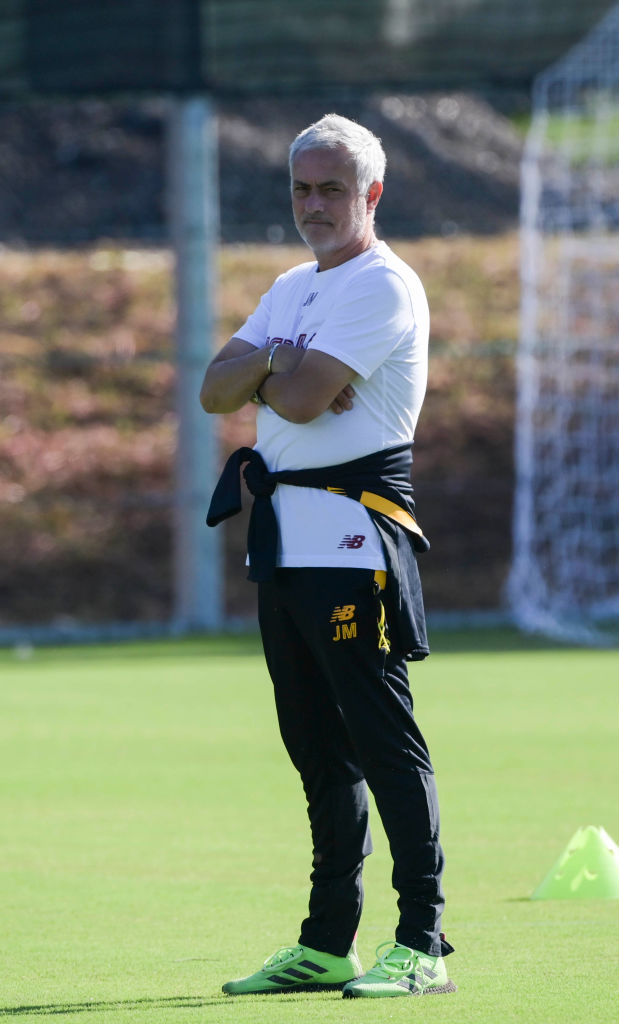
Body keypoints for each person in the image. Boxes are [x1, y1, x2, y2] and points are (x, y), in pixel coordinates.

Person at [200, 113, 455, 1000]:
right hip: (285, 547)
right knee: (315, 748)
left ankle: (422, 941)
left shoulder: (384, 285)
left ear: (370, 195)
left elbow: (301, 403)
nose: (313, 205)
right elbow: (211, 388)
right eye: (302, 189)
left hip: (355, 542)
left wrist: (268, 371)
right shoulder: (290, 286)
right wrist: (277, 355)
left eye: (331, 189)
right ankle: (323, 943)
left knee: (383, 741)